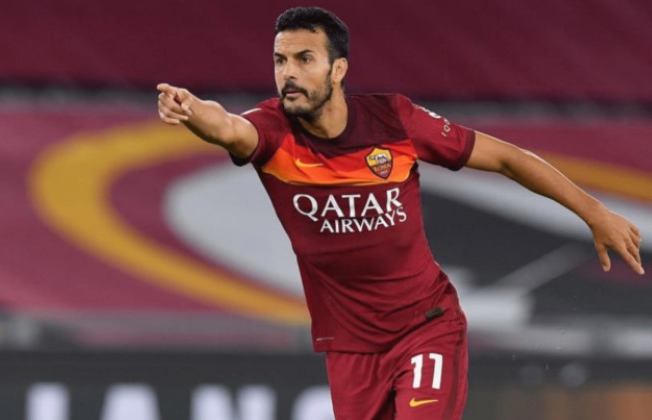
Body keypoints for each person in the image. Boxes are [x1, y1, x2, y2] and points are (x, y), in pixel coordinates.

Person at [156, 6, 644, 420]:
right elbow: (228, 127)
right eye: (280, 61)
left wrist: (593, 212)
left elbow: (506, 159)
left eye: (305, 59)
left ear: (338, 69)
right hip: (350, 349)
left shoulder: (394, 121)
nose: (289, 73)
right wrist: (193, 112)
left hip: (425, 327)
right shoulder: (272, 133)